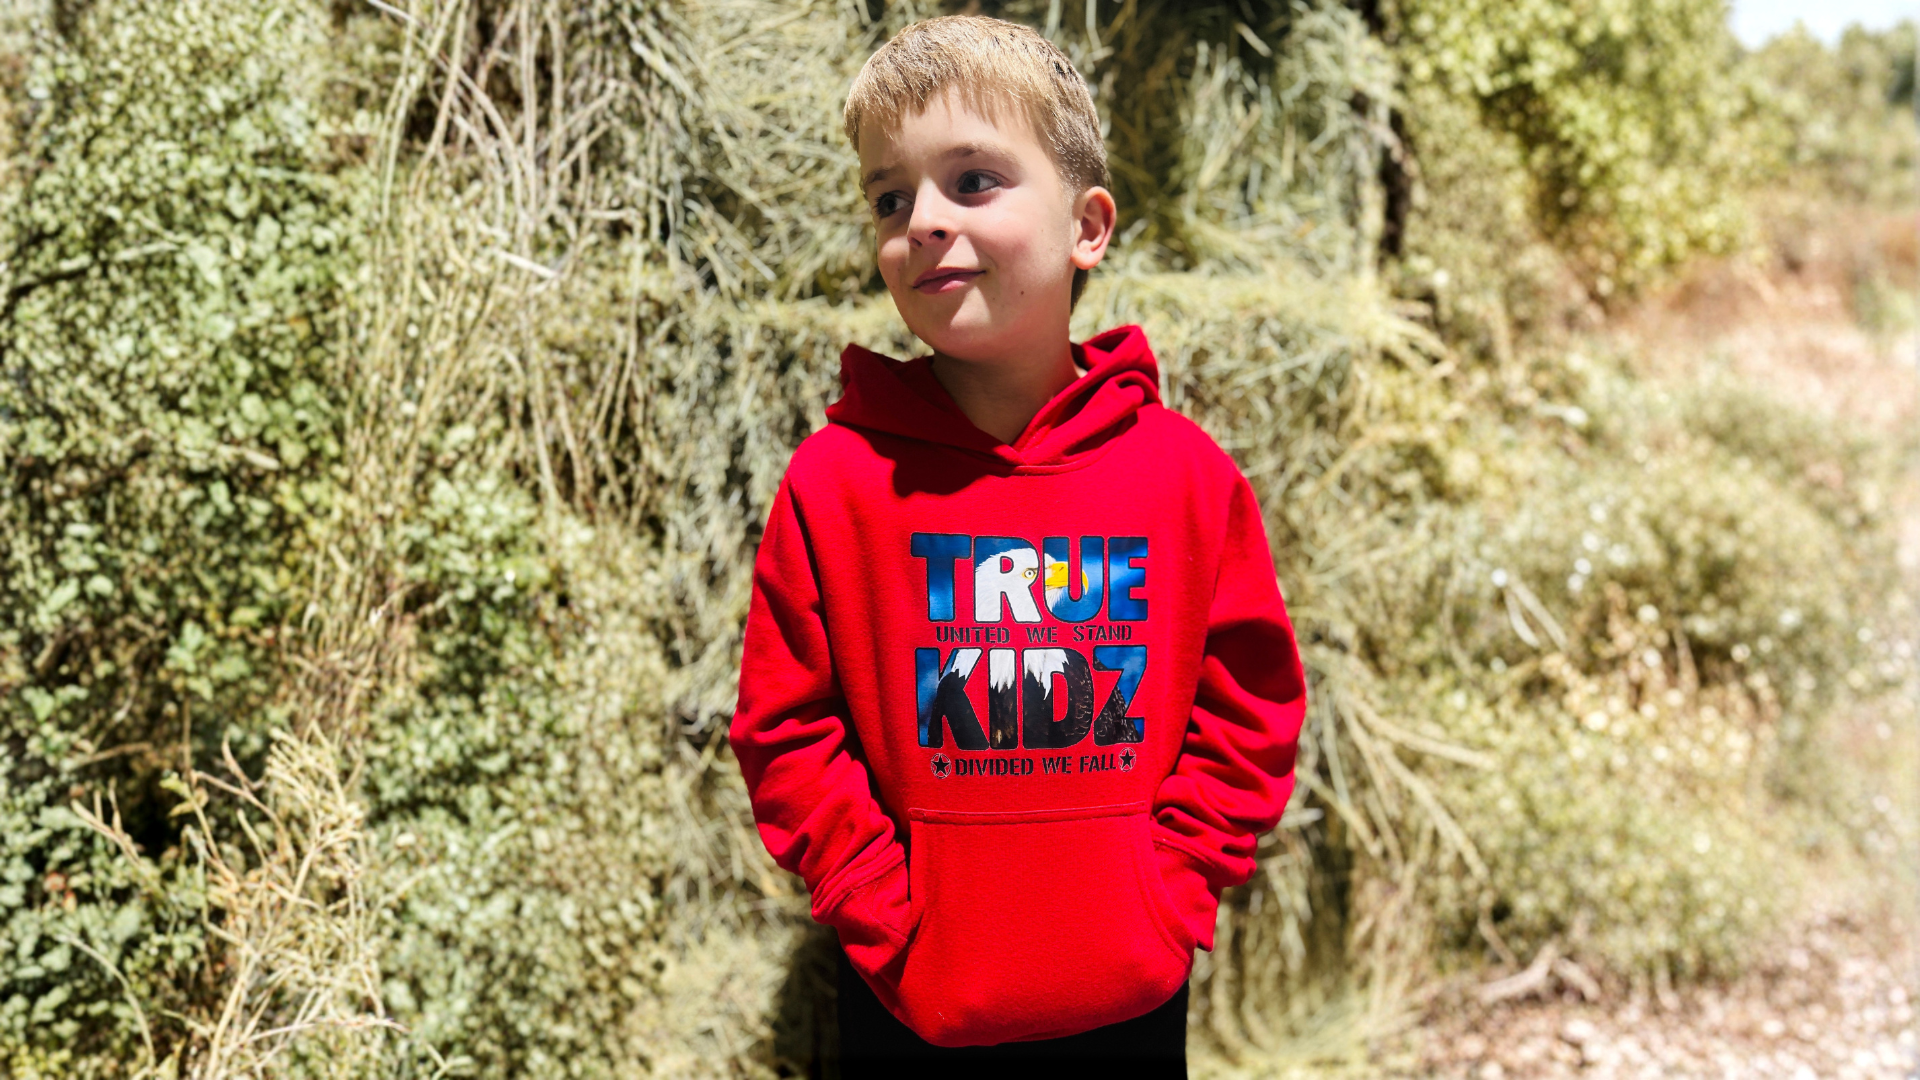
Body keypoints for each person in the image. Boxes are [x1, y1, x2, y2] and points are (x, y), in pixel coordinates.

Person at [728, 15, 1308, 1075]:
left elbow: (1250, 709)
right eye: (889, 198)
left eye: (974, 181)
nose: (924, 221)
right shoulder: (836, 483)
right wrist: (880, 912)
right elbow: (787, 727)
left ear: (1088, 226)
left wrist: (1167, 894)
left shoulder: (1184, 478)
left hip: (1129, 1001)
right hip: (911, 1004)